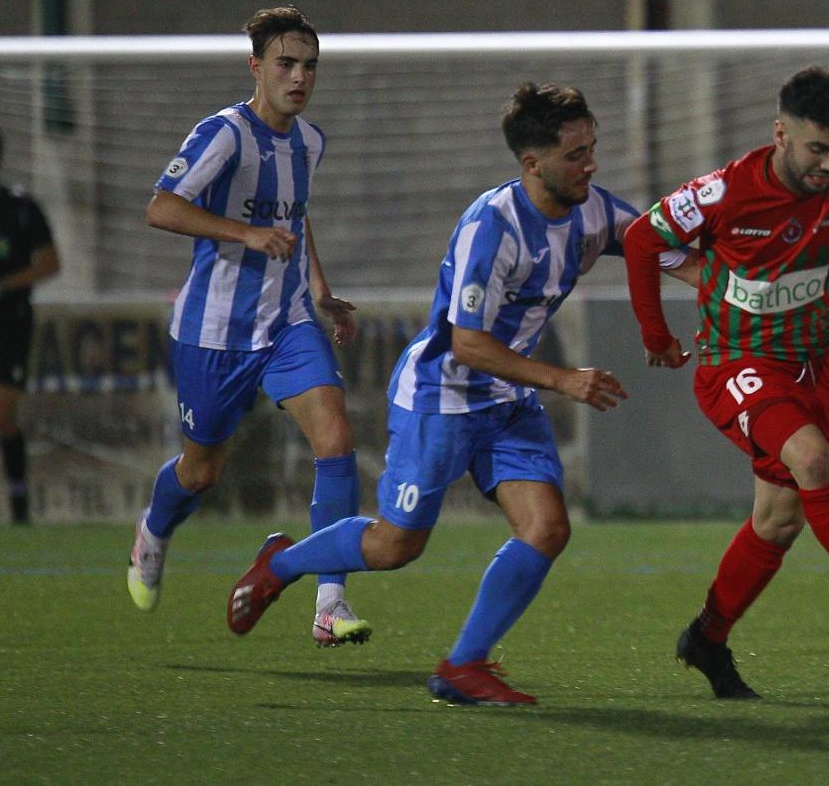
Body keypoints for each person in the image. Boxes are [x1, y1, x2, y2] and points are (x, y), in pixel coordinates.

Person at [225, 82, 698, 706]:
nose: (592, 164)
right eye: (576, 154)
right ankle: (280, 564)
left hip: (504, 402)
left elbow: (667, 251)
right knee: (396, 547)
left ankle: (461, 666)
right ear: (532, 164)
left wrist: (748, 291)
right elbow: (465, 343)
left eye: (593, 149)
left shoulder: (594, 212)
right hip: (440, 399)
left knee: (547, 528)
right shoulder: (490, 228)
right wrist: (563, 380)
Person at [623, 66, 829, 698]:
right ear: (780, 133)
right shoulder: (724, 192)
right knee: (815, 462)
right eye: (816, 149)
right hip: (735, 366)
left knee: (778, 519)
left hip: (813, 364)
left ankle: (707, 639)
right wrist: (655, 336)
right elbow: (642, 239)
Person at [125, 6, 370, 648]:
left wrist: (321, 292)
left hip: (288, 323)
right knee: (201, 470)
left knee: (337, 439)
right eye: (286, 64)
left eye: (310, 66)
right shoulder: (224, 135)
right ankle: (153, 531)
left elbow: (297, 215)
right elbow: (160, 208)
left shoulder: (310, 141)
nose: (299, 77)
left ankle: (329, 603)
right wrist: (246, 233)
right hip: (215, 332)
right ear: (256, 66)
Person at [0, 130, 61, 525]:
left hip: (9, 321)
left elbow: (51, 263)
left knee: (3, 412)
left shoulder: (19, 208)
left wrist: (6, 284)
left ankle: (19, 500)